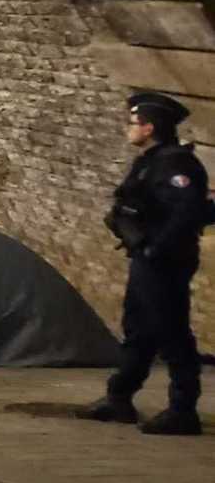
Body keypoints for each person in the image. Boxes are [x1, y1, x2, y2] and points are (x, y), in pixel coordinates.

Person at [79, 92, 206, 435]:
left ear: (149, 127)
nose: (128, 129)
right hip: (146, 258)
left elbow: (186, 212)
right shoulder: (151, 161)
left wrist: (155, 249)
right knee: (138, 329)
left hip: (165, 261)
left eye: (132, 123)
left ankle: (183, 409)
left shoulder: (176, 164)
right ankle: (119, 397)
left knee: (171, 331)